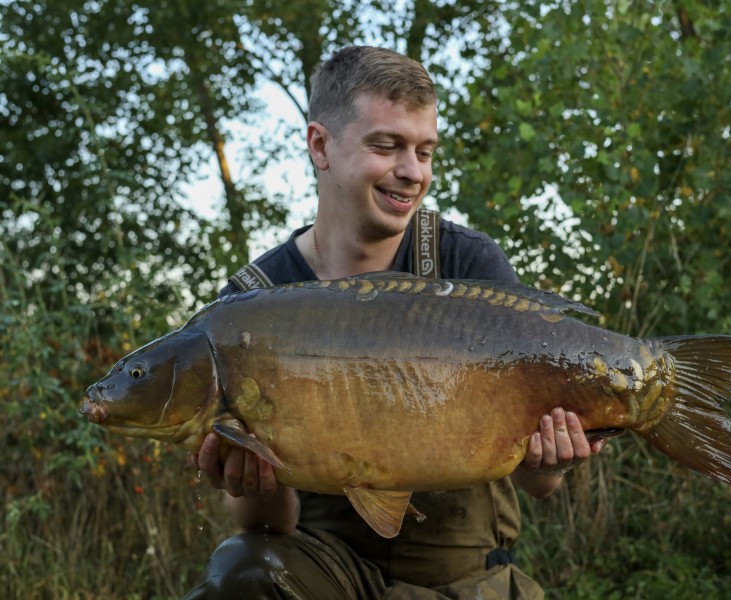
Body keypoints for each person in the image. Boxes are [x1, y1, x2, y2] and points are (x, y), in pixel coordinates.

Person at [183, 46, 606, 600]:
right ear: (320, 145)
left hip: (464, 576)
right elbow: (264, 526)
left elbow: (540, 482)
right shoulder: (249, 306)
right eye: (387, 146)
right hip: (328, 568)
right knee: (241, 571)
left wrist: (553, 456)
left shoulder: (467, 266)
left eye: (425, 152)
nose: (412, 172)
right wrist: (248, 475)